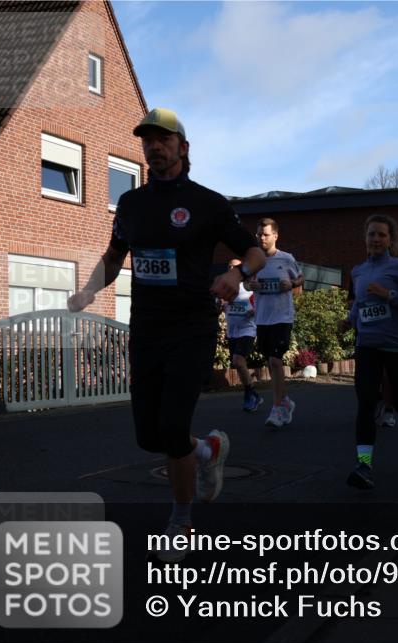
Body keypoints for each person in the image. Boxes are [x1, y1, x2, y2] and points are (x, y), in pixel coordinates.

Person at [67, 108, 266, 562]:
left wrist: (237, 274)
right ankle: (209, 449)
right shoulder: (133, 205)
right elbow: (115, 255)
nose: (154, 147)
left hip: (192, 326)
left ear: (183, 148)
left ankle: (181, 521)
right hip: (148, 329)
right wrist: (87, 292)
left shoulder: (208, 203)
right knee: (149, 436)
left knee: (173, 425)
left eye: (163, 139)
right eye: (147, 140)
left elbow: (254, 252)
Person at [341, 214, 398, 490]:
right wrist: (349, 320)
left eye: (381, 235)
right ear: (365, 238)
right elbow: (359, 306)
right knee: (366, 403)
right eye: (372, 234)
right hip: (367, 345)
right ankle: (364, 465)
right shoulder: (358, 271)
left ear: (390, 240)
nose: (376, 239)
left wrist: (388, 295)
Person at [248, 219, 302, 429]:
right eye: (259, 234)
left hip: (282, 317)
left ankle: (278, 406)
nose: (262, 237)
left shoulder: (286, 259)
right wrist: (250, 284)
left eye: (266, 234)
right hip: (262, 319)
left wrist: (291, 283)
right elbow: (245, 282)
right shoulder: (254, 260)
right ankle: (285, 401)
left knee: (276, 361)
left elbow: (300, 279)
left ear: (275, 236)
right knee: (272, 363)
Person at [223, 258, 261, 411]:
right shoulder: (225, 288)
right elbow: (220, 306)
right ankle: (254, 394)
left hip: (247, 330)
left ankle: (248, 395)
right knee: (237, 363)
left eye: (235, 266)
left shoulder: (249, 287)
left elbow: (260, 305)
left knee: (238, 361)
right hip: (232, 331)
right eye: (229, 266)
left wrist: (254, 311)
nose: (231, 268)